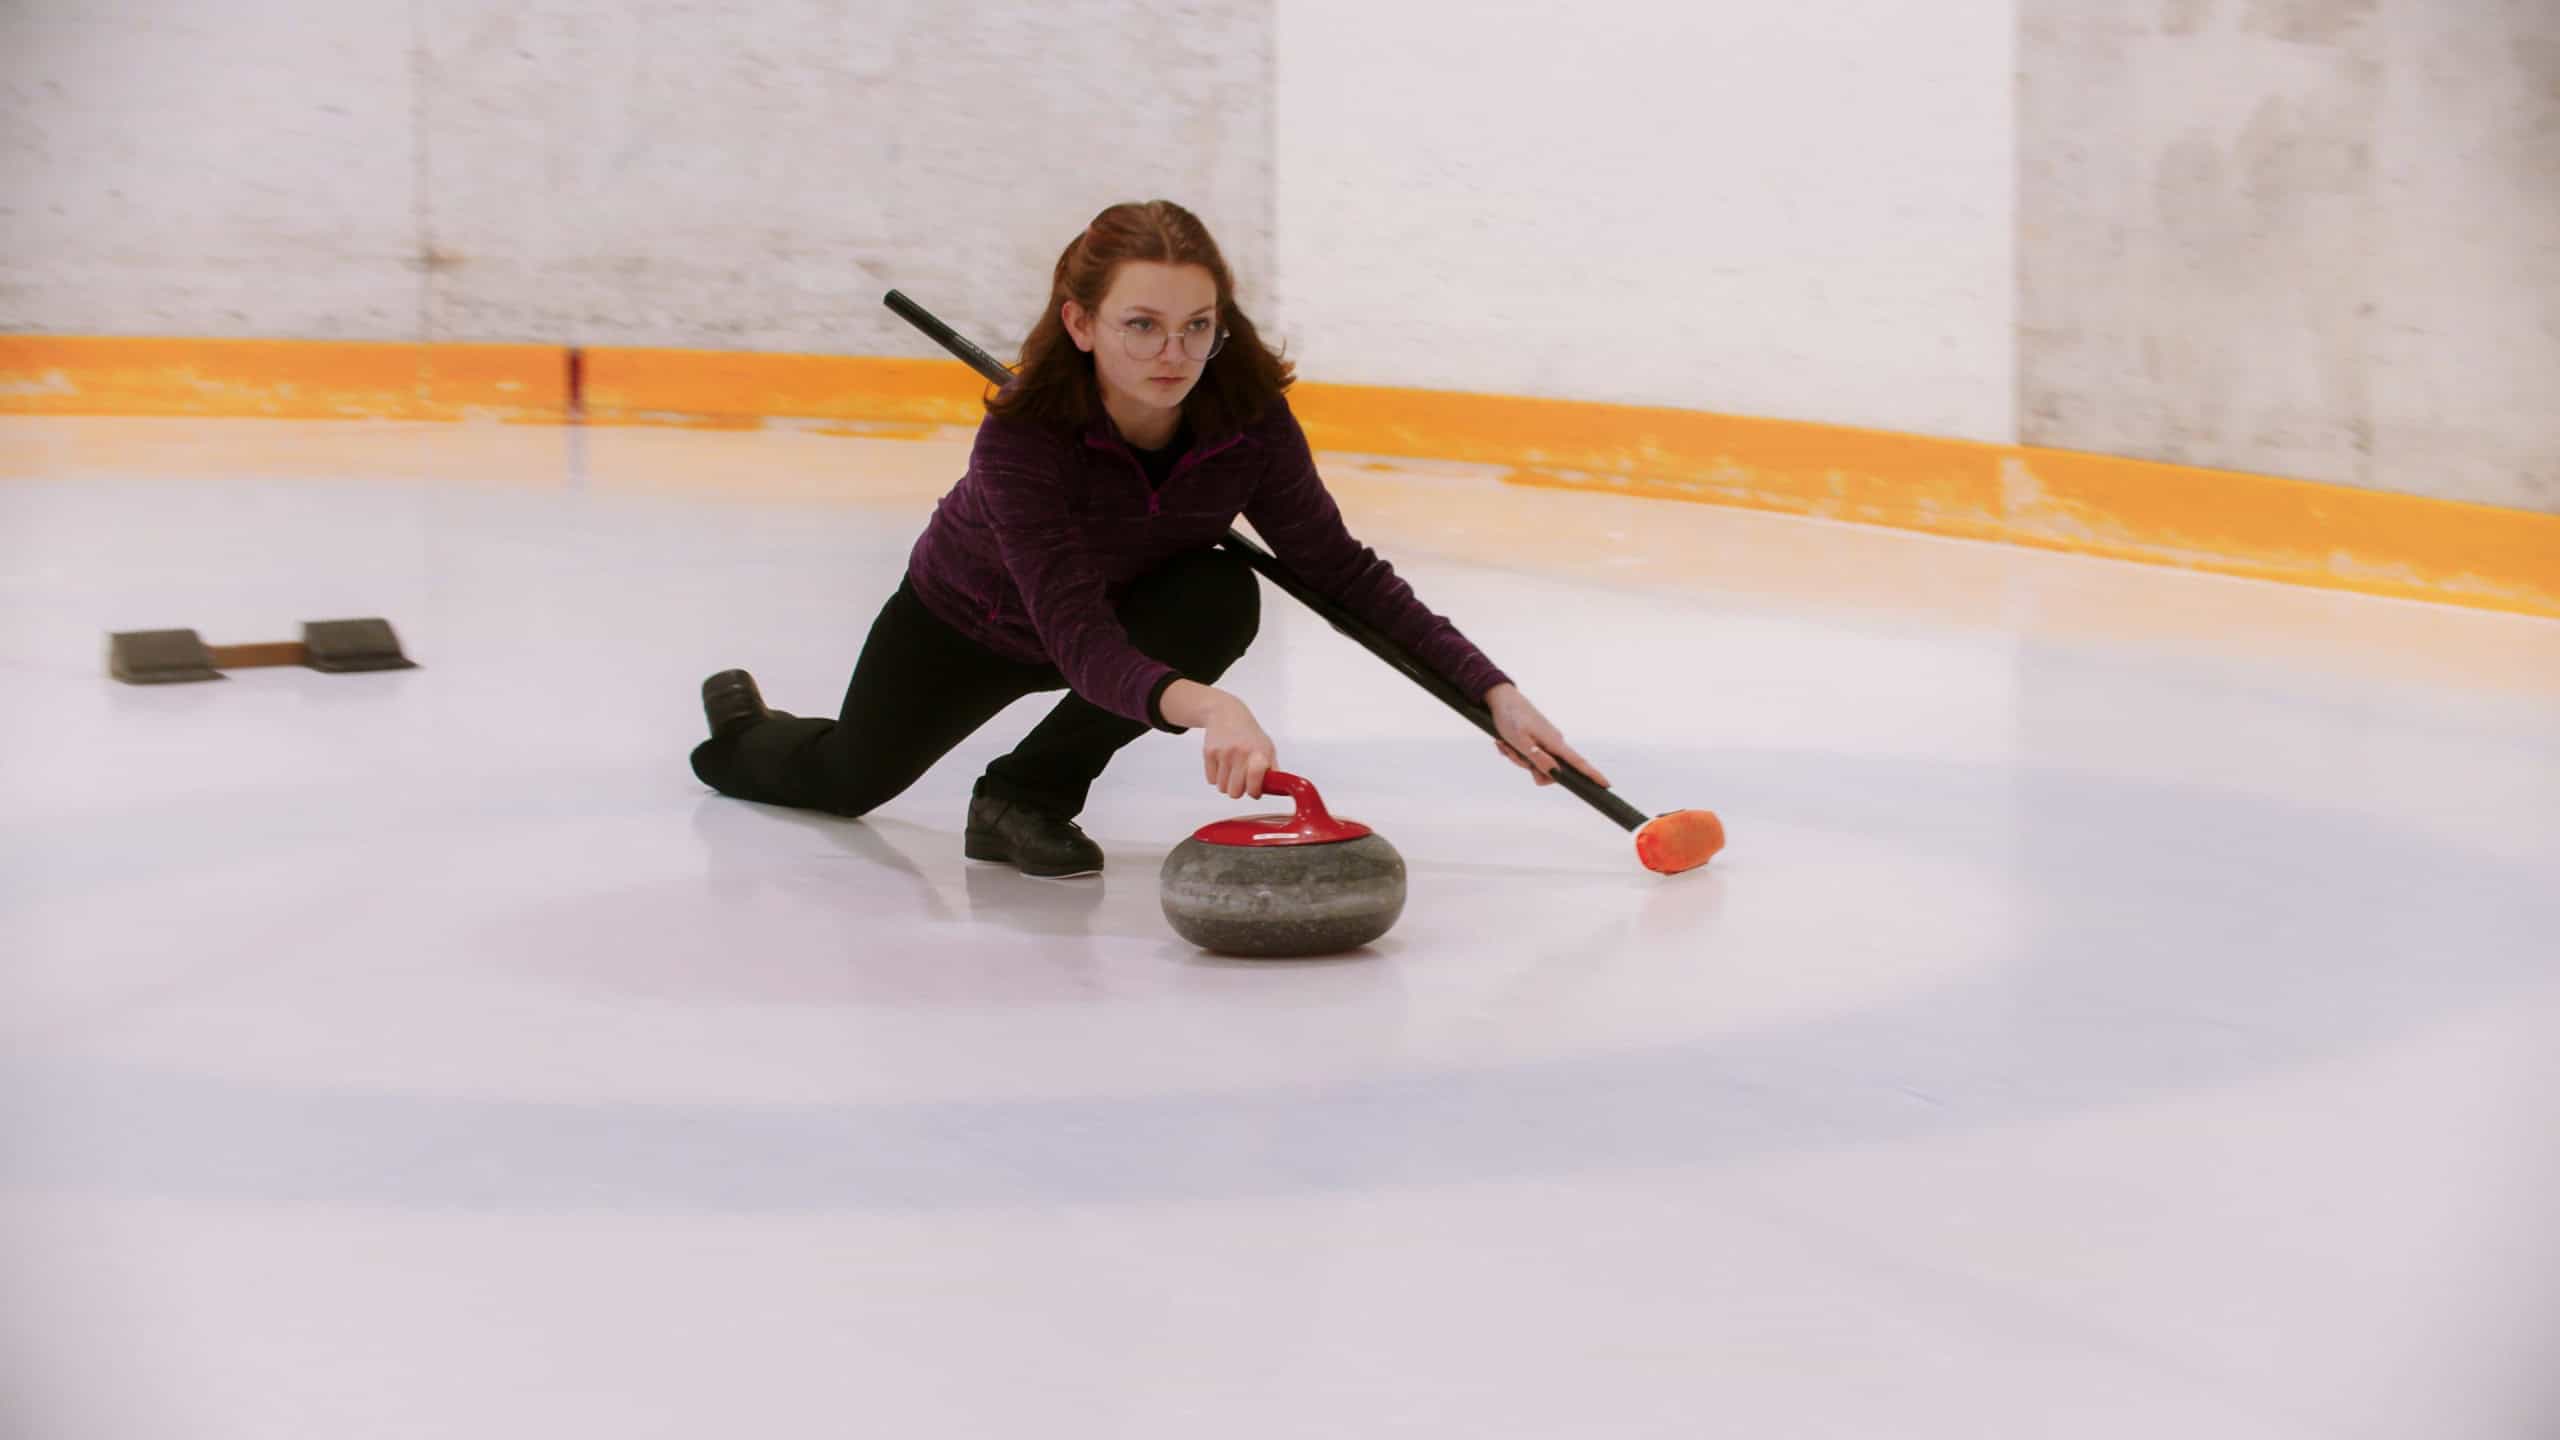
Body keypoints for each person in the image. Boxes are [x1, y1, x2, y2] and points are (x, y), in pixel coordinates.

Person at [690, 199, 1607, 878]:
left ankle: (1023, 796)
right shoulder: (1023, 437)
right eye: (1142, 325)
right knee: (847, 778)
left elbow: (1342, 572)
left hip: (1123, 625)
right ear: (1081, 324)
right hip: (968, 623)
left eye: (1196, 327)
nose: (1174, 354)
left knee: (1220, 591)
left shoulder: (1245, 418)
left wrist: (1492, 690)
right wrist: (1207, 707)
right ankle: (742, 734)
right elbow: (1074, 634)